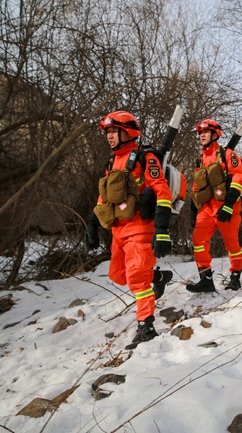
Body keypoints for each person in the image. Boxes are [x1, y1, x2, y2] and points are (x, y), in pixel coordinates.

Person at [86, 110, 173, 350]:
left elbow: (162, 191)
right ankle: (158, 277)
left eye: (114, 131)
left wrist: (162, 228)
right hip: (118, 231)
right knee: (118, 275)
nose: (110, 136)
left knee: (136, 279)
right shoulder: (112, 162)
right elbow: (104, 197)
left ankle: (146, 326)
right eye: (108, 132)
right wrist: (92, 224)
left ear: (128, 133)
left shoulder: (145, 158)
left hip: (140, 229)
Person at [186, 119, 242, 292]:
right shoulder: (200, 159)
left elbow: (239, 177)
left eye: (205, 132)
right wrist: (193, 209)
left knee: (232, 244)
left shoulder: (227, 154)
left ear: (215, 135)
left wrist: (229, 203)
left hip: (226, 207)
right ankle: (205, 279)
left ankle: (235, 276)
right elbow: (197, 186)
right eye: (200, 133)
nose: (202, 135)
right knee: (198, 241)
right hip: (206, 209)